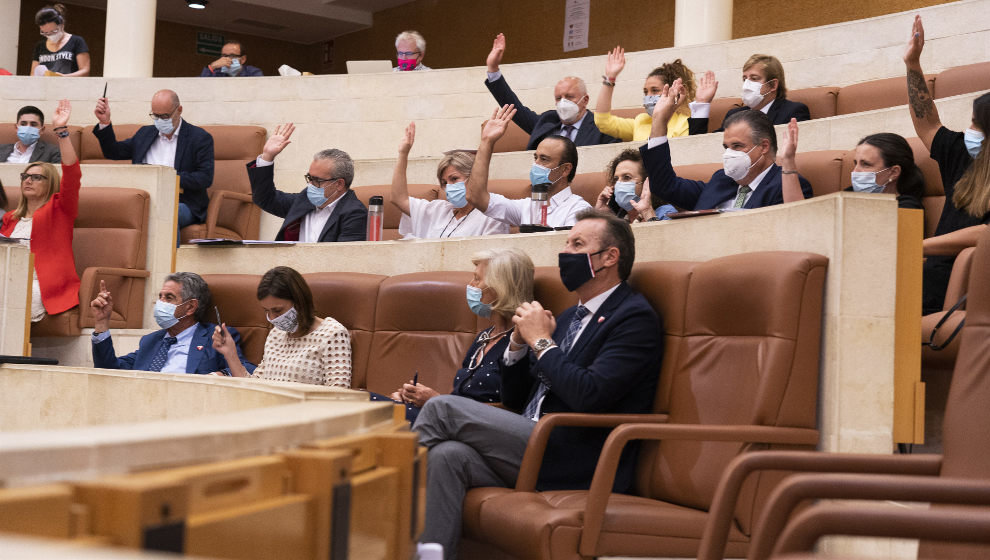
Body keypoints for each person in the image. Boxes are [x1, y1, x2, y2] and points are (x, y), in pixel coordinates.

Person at [414, 209, 663, 559]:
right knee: (447, 456)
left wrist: (542, 343)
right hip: (532, 439)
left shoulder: (633, 318)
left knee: (442, 408)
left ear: (610, 257)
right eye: (565, 243)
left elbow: (589, 395)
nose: (565, 252)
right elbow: (517, 399)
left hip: (576, 455)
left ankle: (379, 516)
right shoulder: (566, 318)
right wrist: (518, 346)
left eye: (577, 244)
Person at [374, 248, 535, 422]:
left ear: (500, 288)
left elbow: (514, 409)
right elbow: (461, 399)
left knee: (367, 405)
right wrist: (415, 400)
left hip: (477, 428)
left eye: (477, 279)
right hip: (449, 419)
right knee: (365, 403)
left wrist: (436, 401)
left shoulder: (522, 340)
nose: (470, 285)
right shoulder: (484, 337)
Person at [904, 15, 990, 314]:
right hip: (930, 278)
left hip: (972, 286)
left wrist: (916, 247)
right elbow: (927, 124)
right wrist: (912, 65)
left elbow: (985, 234)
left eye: (977, 124)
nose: (970, 130)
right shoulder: (963, 154)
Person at [642, 79, 812, 211]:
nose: (729, 154)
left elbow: (795, 222)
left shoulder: (783, 185)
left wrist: (789, 163)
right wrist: (659, 120)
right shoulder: (721, 180)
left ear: (764, 147)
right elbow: (664, 185)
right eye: (727, 147)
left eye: (737, 146)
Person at [92, 90, 214, 232]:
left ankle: (165, 255)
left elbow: (205, 178)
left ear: (179, 110)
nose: (160, 120)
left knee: (165, 214)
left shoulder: (199, 138)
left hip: (182, 202)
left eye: (165, 116)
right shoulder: (145, 133)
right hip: (144, 200)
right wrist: (104, 122)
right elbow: (113, 152)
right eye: (155, 116)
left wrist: (166, 177)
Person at [1, 99, 78, 323]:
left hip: (41, 284)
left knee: (12, 299)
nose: (29, 181)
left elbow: (72, 174)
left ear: (50, 183)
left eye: (37, 177)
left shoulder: (60, 211)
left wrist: (62, 131)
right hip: (8, 279)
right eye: (25, 176)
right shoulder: (10, 218)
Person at [212, 266, 352, 387]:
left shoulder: (332, 333)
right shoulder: (276, 334)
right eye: (267, 311)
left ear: (299, 302)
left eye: (277, 310)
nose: (272, 318)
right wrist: (230, 353)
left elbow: (339, 395)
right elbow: (255, 387)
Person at [91, 273, 255, 375]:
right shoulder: (151, 341)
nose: (160, 303)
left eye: (169, 298)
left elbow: (246, 371)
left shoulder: (216, 337)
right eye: (160, 297)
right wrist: (102, 323)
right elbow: (108, 371)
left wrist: (217, 377)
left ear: (190, 307)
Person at [484, 33, 619, 150]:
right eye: (558, 98)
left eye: (569, 96)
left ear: (585, 100)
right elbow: (515, 108)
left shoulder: (602, 127)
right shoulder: (547, 121)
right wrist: (493, 69)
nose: (563, 102)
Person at [465, 105, 592, 229]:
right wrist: (487, 141)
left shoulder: (578, 209)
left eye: (544, 159)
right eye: (535, 158)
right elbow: (475, 196)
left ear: (565, 169)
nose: (536, 165)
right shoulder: (527, 206)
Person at [247, 123, 367, 242]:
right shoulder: (305, 200)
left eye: (317, 180)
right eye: (310, 178)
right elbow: (265, 198)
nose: (310, 185)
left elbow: (345, 258)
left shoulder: (355, 214)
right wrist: (267, 156)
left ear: (339, 184)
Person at [391, 122, 508, 239]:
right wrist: (403, 153)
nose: (449, 187)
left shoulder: (493, 215)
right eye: (445, 182)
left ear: (474, 177)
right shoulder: (438, 209)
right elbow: (399, 199)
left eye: (454, 179)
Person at [778, 119, 925, 208]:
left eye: (866, 164)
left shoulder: (906, 206)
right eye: (856, 163)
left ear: (893, 172)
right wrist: (788, 160)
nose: (856, 171)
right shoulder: (849, 195)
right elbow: (803, 218)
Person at [687, 54, 810, 135]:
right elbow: (700, 147)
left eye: (754, 78)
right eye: (745, 79)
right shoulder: (734, 115)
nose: (747, 84)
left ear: (773, 85)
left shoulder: (794, 112)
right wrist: (702, 103)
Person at [595, 46, 697, 141]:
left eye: (655, 90)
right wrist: (610, 78)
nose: (648, 96)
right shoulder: (641, 121)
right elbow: (603, 122)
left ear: (672, 92)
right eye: (645, 92)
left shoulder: (684, 123)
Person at [595, 148, 677, 222]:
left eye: (627, 177)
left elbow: (666, 238)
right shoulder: (619, 216)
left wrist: (648, 212)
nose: (618, 184)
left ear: (647, 182)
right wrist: (601, 216)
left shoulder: (666, 212)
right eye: (616, 179)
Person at [31, 4, 89, 77]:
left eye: (53, 31)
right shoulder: (40, 46)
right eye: (45, 32)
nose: (50, 35)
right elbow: (33, 74)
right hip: (46, 87)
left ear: (62, 24)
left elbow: (85, 71)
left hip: (69, 86)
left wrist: (64, 77)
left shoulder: (77, 41)